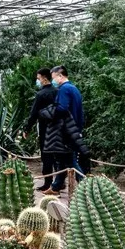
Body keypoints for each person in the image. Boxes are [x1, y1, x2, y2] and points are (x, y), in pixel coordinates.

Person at [41, 65, 87, 194]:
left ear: (60, 76)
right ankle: (56, 187)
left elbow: (62, 108)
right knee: (62, 159)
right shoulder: (74, 89)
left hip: (66, 129)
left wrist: (49, 112)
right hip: (74, 128)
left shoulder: (64, 89)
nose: (53, 80)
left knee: (70, 160)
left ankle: (86, 188)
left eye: (54, 77)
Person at [24, 68, 57, 192]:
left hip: (45, 127)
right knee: (57, 155)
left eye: (38, 78)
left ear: (44, 78)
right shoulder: (57, 92)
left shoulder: (41, 94)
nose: (38, 81)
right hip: (57, 127)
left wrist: (27, 128)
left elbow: (34, 114)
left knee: (46, 156)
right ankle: (59, 182)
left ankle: (48, 183)